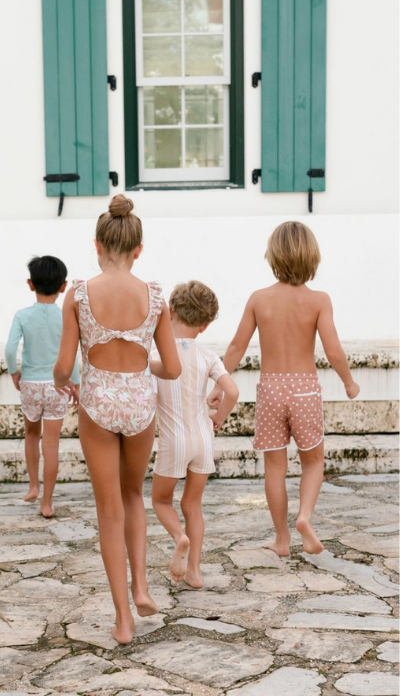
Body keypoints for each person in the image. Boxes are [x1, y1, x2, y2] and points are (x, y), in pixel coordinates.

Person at [54, 195, 180, 645]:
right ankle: (142, 587)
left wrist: (62, 381)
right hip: (140, 401)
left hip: (98, 401)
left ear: (97, 244)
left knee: (108, 510)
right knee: (134, 496)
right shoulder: (156, 295)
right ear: (138, 249)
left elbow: (65, 364)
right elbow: (174, 366)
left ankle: (123, 619)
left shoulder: (81, 293)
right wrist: (144, 373)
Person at [219, 222, 359, 557]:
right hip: (304, 389)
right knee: (313, 462)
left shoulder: (258, 299)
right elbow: (334, 350)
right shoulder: (318, 300)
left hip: (270, 389)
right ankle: (305, 518)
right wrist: (348, 382)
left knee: (274, 468)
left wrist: (220, 382)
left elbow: (237, 346)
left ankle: (282, 540)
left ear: (273, 256)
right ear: (312, 258)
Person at [149, 281, 239, 588]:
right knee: (193, 505)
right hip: (203, 439)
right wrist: (218, 419)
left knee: (161, 501)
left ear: (170, 312)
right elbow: (232, 391)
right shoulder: (208, 356)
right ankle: (195, 572)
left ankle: (179, 537)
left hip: (174, 441)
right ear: (205, 325)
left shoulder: (155, 356)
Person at [5, 255, 79, 518]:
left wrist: (15, 372)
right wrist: (77, 383)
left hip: (31, 385)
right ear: (63, 286)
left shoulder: (22, 316)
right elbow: (74, 353)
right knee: (51, 445)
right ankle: (46, 502)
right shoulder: (65, 317)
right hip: (58, 385)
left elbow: (10, 348)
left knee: (30, 435)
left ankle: (33, 486)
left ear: (30, 284)